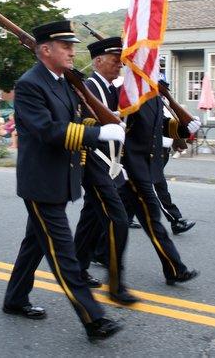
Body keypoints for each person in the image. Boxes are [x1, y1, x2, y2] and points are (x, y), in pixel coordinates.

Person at [3, 20, 124, 341]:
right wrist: (99, 133)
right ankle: (93, 318)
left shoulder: (60, 81)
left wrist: (101, 123)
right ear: (45, 49)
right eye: (65, 46)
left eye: (72, 45)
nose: (73, 50)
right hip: (41, 182)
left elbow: (70, 120)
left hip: (60, 178)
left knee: (34, 244)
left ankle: (15, 298)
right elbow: (48, 130)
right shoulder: (30, 84)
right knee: (63, 253)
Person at [73, 37, 138, 305]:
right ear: (98, 61)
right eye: (114, 61)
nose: (117, 67)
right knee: (117, 220)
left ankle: (77, 267)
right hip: (94, 163)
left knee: (90, 219)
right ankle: (116, 284)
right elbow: (79, 122)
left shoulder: (112, 88)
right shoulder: (87, 87)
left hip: (112, 164)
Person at [121, 88, 201, 285]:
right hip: (132, 169)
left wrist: (183, 128)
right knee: (150, 220)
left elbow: (161, 126)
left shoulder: (153, 96)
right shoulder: (131, 92)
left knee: (107, 218)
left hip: (148, 166)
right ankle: (174, 269)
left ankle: (96, 252)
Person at [156, 136, 196, 234]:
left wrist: (179, 142)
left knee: (136, 184)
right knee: (158, 187)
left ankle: (126, 216)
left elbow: (170, 124)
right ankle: (176, 221)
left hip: (161, 150)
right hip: (152, 150)